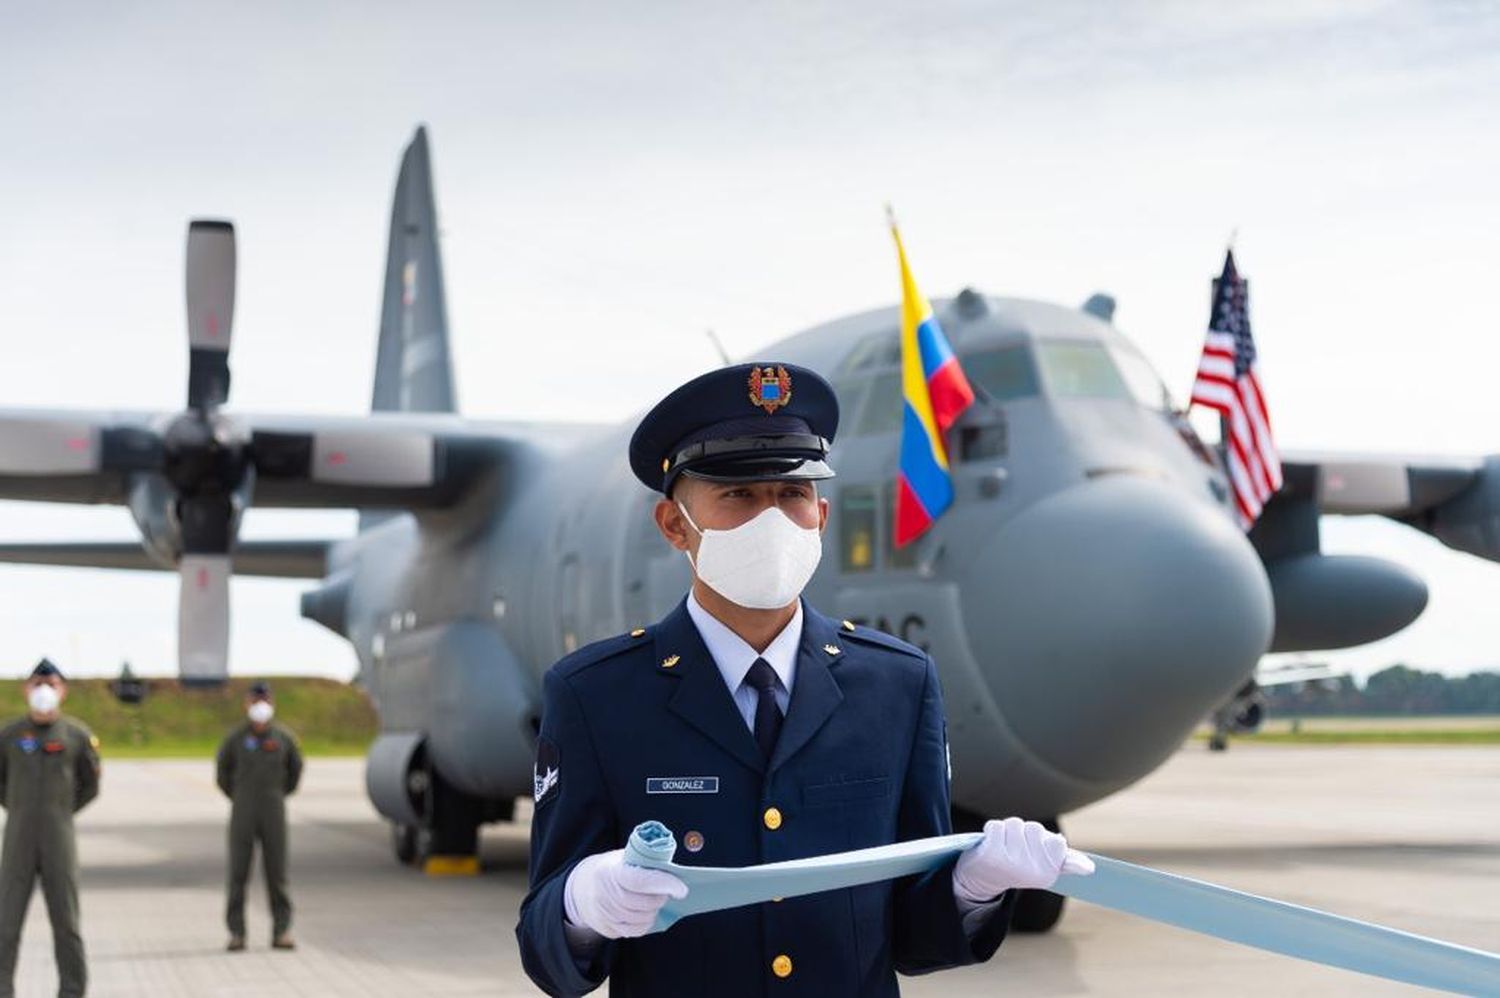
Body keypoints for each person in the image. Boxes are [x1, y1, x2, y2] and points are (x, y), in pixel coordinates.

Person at [517, 362, 1090, 996]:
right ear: (675, 525)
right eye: (738, 496)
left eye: (791, 495)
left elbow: (915, 937)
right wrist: (580, 907)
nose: (774, 519)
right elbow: (549, 959)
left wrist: (972, 886)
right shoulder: (598, 696)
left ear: (820, 513)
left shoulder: (897, 686)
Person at [0, 658, 100, 998]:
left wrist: (60, 812)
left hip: (59, 839)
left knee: (67, 922)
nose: (44, 691)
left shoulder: (77, 735)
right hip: (18, 840)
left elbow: (90, 785)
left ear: (63, 691)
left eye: (52, 684)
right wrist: (18, 807)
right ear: (27, 689)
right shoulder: (9, 736)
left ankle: (72, 990)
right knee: (6, 923)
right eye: (38, 684)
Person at [216, 681, 303, 952]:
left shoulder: (284, 739)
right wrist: (240, 797)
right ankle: (237, 933)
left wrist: (275, 795)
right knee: (238, 873)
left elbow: (294, 773)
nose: (259, 707)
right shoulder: (235, 739)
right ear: (247, 704)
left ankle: (282, 931)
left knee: (277, 873)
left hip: (273, 810)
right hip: (243, 811)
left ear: (272, 704)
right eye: (254, 701)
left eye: (264, 701)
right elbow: (222, 774)